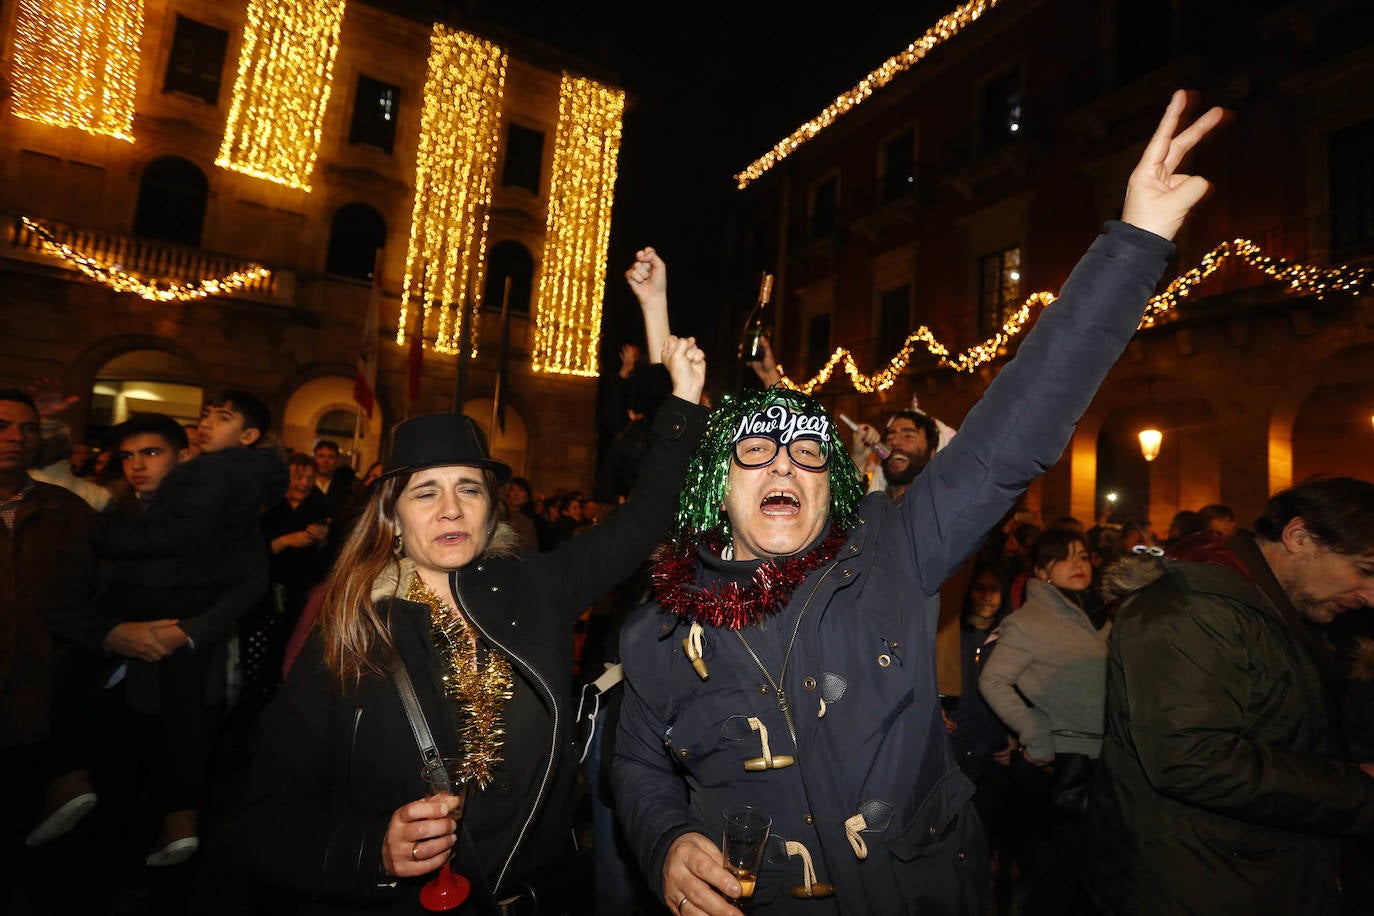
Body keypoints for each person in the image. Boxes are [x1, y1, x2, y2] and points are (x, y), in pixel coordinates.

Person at [613, 91, 1225, 916]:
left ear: (833, 485)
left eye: (806, 452)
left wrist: (1136, 241)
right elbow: (640, 765)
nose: (782, 465)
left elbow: (1013, 429)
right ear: (718, 485)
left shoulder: (890, 558)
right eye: (753, 451)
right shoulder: (656, 627)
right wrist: (667, 842)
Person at [237, 257, 708, 915]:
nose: (451, 509)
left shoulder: (534, 586)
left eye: (469, 490)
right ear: (393, 520)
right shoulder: (350, 629)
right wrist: (373, 849)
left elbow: (643, 518)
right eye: (425, 492)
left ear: (492, 510)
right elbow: (266, 816)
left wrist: (683, 401)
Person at [1083, 476, 1374, 916]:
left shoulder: (1269, 607)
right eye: (1366, 570)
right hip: (1195, 885)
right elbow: (1193, 759)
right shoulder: (1191, 608)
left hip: (1252, 872)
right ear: (1299, 537)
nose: (1371, 596)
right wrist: (1359, 789)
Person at [85, 394, 286, 865]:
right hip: (115, 676)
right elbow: (77, 592)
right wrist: (110, 631)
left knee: (179, 776)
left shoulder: (221, 509)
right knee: (110, 796)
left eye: (152, 453)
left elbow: (252, 582)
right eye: (128, 456)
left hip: (193, 668)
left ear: (180, 459)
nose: (138, 465)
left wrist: (191, 630)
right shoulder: (111, 511)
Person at [0, 388, 98, 897]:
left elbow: (94, 597)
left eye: (27, 428)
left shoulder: (66, 511)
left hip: (32, 703)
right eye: (3, 426)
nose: (16, 438)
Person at [977, 529, 1104, 915]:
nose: (1079, 564)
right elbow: (993, 680)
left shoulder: (1086, 615)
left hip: (1092, 760)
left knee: (1075, 876)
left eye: (1083, 555)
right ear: (1042, 570)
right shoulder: (1030, 620)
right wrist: (1036, 735)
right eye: (1065, 557)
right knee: (1050, 879)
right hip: (1061, 766)